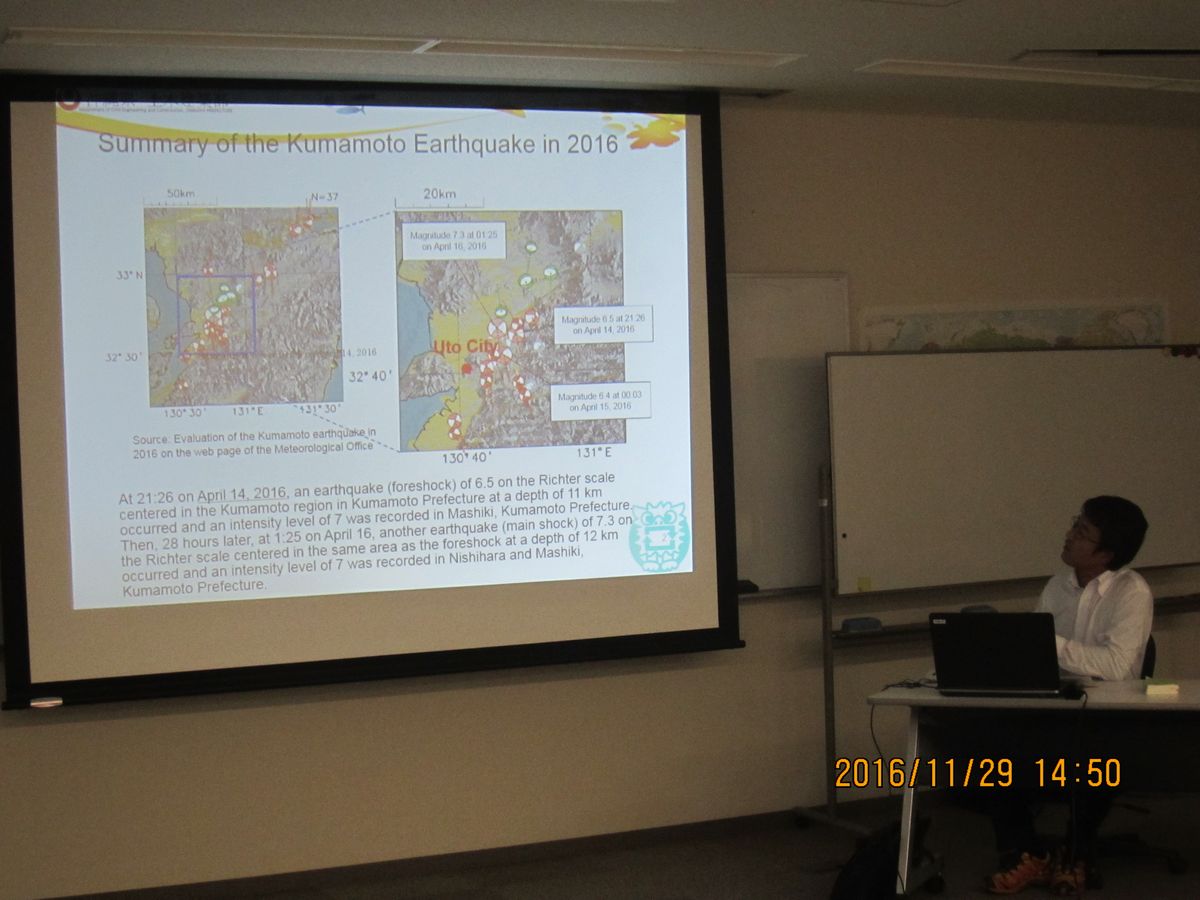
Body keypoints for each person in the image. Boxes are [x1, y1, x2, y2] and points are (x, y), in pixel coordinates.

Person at [986, 495, 1150, 895]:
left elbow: (1118, 667)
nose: (1069, 535)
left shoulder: (1131, 592)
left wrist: (1050, 644)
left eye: (1082, 531)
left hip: (1108, 715)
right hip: (1055, 704)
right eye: (1075, 523)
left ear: (1106, 553)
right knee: (994, 745)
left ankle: (1078, 853)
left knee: (1094, 751)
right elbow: (1032, 654)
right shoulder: (1056, 586)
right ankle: (1026, 854)